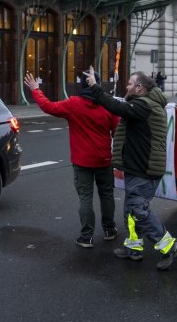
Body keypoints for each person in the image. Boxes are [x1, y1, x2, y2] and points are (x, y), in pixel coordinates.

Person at [84, 67, 177, 271]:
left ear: (139, 87)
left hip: (144, 169)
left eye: (130, 84)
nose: (126, 87)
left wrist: (95, 87)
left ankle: (170, 247)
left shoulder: (145, 105)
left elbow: (116, 107)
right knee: (131, 211)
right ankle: (133, 248)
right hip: (137, 167)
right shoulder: (142, 104)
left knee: (139, 209)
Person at [23, 71, 119, 249]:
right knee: (106, 195)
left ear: (82, 85)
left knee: (85, 198)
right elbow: (117, 130)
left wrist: (35, 90)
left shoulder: (74, 104)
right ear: (98, 84)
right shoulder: (107, 105)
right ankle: (109, 230)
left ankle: (87, 237)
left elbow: (48, 107)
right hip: (104, 159)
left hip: (82, 160)